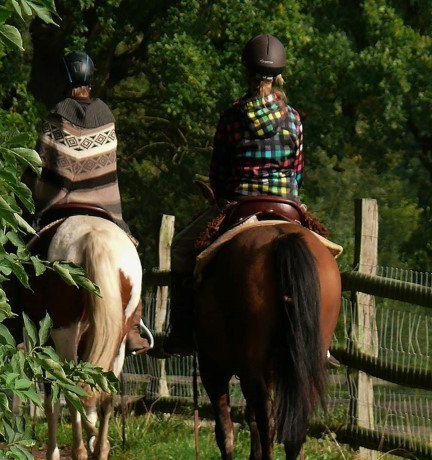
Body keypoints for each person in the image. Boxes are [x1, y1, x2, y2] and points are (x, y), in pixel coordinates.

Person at [162, 34, 304, 354]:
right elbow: (297, 171)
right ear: (280, 75)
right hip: (288, 206)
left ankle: (182, 331)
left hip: (240, 203)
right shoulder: (294, 118)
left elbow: (219, 172)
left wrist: (223, 194)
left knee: (182, 249)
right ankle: (320, 342)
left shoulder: (232, 116)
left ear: (245, 72)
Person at [29, 51, 150, 355]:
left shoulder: (56, 114)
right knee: (131, 252)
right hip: (105, 209)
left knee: (18, 251)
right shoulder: (107, 116)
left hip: (60, 207)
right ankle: (134, 324)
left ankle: (11, 321)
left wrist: (30, 201)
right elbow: (106, 169)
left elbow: (41, 168)